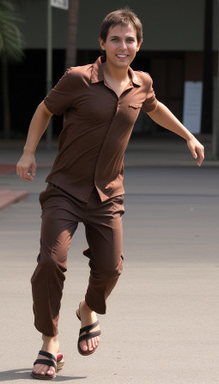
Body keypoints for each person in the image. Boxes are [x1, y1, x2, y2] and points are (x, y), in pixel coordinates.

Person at [16, 8, 204, 380]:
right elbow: (44, 109)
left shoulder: (142, 83)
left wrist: (188, 135)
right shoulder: (78, 79)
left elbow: (155, 109)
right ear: (102, 43)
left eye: (130, 39)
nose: (123, 46)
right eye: (115, 39)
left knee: (111, 267)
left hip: (108, 194)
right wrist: (28, 151)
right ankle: (50, 340)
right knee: (50, 263)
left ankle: (87, 309)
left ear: (139, 45)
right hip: (65, 190)